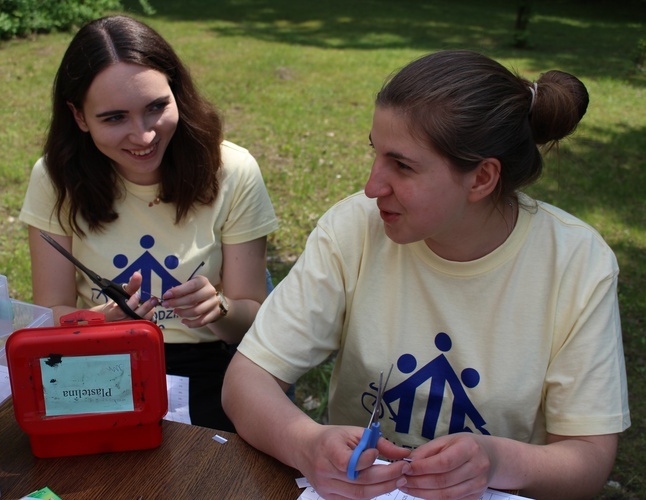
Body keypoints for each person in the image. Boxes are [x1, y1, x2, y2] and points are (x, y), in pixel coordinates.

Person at [222, 50, 630, 499]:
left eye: (403, 165)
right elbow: (247, 380)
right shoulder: (355, 228)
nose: (372, 186)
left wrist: (494, 461)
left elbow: (588, 458)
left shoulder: (575, 262)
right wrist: (307, 442)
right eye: (375, 153)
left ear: (481, 179)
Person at [19, 15, 278, 432]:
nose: (143, 137)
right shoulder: (55, 177)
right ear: (79, 116)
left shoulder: (232, 169)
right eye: (114, 118)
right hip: (97, 360)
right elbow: (50, 310)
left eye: (156, 107)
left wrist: (219, 308)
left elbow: (251, 319)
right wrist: (102, 322)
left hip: (208, 363)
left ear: (177, 92)